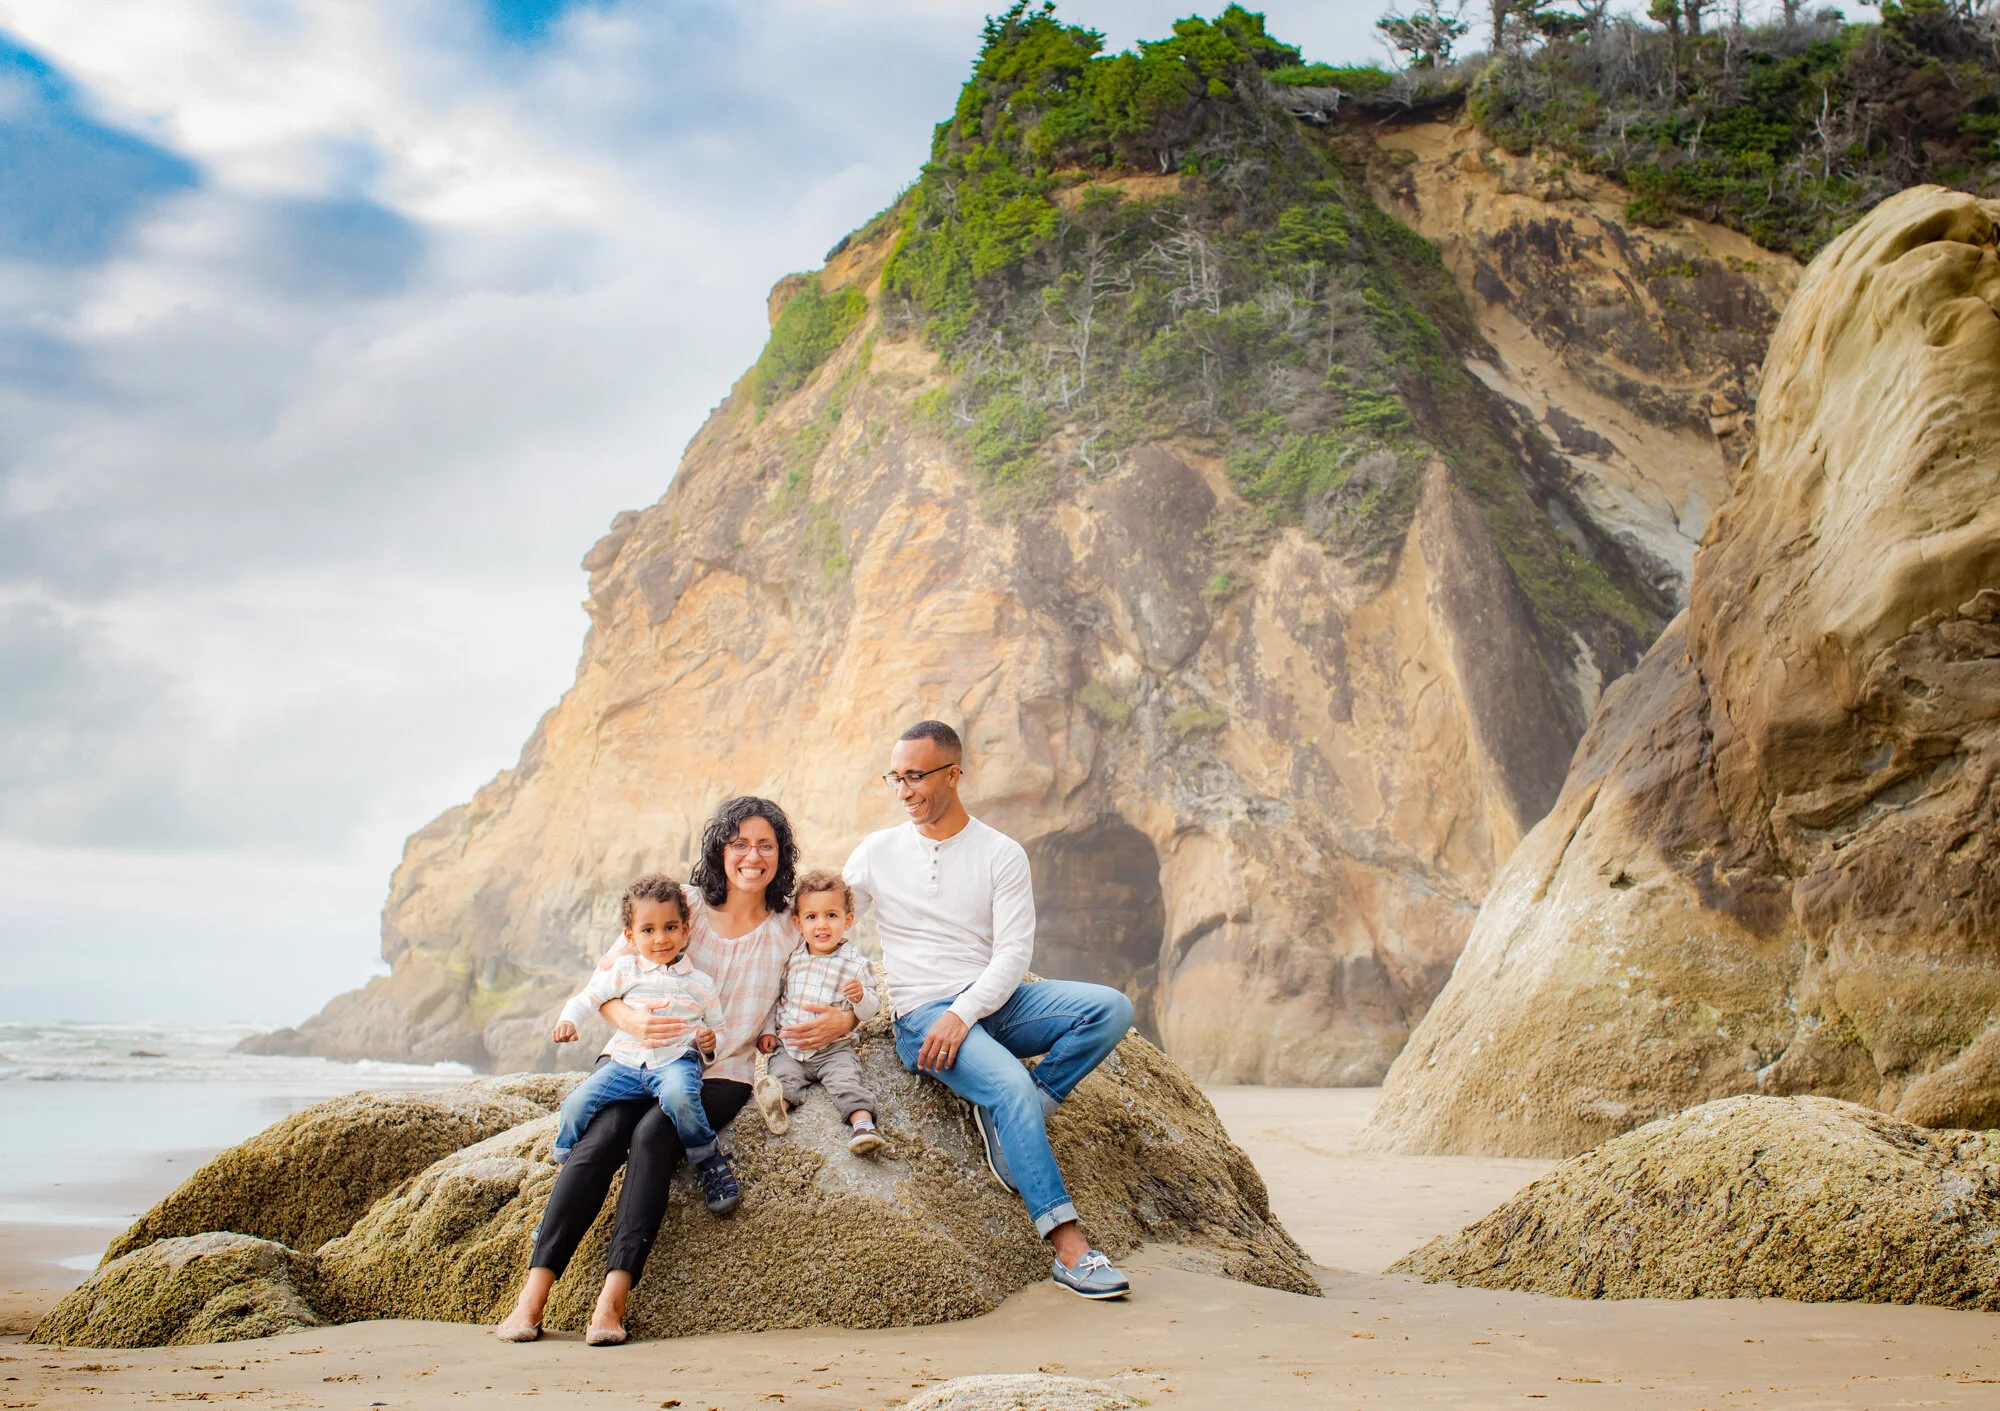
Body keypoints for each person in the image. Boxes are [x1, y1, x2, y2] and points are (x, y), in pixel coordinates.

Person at [496, 797, 858, 1346]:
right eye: (739, 843)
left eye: (766, 845)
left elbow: (838, 970)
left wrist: (847, 1017)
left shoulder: (791, 927)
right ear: (720, 848)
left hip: (721, 1072)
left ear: (781, 855)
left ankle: (610, 1303)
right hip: (634, 1056)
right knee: (600, 1142)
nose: (752, 856)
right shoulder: (680, 904)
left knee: (652, 1137)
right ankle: (532, 1299)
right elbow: (607, 980)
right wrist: (632, 1022)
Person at [843, 720, 1136, 1300]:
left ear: (953, 774)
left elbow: (1013, 953)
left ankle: (1022, 1115)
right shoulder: (876, 852)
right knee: (1007, 1085)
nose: (904, 790)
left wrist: (968, 1012)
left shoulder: (1001, 853)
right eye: (895, 778)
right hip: (923, 1016)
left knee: (1111, 1008)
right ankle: (1070, 1249)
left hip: (992, 1004)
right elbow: (822, 918)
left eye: (916, 776)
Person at [549, 874, 737, 1212]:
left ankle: (706, 1158)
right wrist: (568, 1020)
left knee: (682, 1098)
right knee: (576, 1103)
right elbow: (589, 998)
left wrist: (709, 1044)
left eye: (670, 927)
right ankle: (564, 1163)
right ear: (631, 936)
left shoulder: (701, 984)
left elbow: (718, 1030)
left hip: (676, 1062)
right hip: (625, 1063)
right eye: (648, 930)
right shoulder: (624, 970)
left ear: (685, 930)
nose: (661, 938)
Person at [752, 868, 885, 1156]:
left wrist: (861, 998)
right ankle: (777, 1109)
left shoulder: (855, 964)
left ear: (848, 920)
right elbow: (777, 999)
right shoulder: (793, 958)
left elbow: (873, 1008)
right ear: (799, 923)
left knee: (845, 1082)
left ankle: (863, 1126)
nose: (821, 925)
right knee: (783, 1077)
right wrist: (767, 1032)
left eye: (831, 916)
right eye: (812, 917)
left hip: (833, 1050)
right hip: (791, 1048)